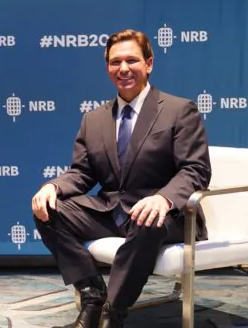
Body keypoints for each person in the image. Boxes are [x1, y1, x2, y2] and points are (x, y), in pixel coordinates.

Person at [31, 29, 211, 328]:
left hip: (168, 215)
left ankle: (112, 313)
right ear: (107, 68)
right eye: (115, 62)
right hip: (113, 210)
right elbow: (83, 172)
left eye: (131, 60)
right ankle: (91, 294)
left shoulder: (179, 110)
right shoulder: (94, 119)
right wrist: (53, 186)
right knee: (47, 210)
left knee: (146, 217)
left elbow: (196, 169)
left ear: (149, 63)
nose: (123, 69)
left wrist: (163, 198)